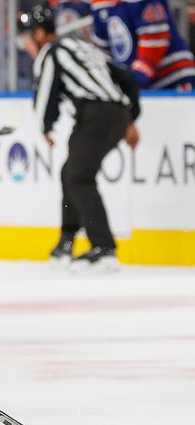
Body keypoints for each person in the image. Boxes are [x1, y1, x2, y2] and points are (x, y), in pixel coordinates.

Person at [18, 6, 141, 271]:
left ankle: (103, 248)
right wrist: (131, 118)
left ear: (39, 34)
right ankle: (66, 241)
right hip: (113, 114)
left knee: (78, 176)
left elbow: (46, 91)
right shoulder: (81, 47)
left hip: (95, 114)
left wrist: (45, 126)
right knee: (70, 172)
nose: (25, 46)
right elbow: (126, 78)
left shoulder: (50, 52)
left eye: (25, 39)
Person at [89, 0, 195, 90]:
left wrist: (133, 80)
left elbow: (155, 37)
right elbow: (102, 46)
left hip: (173, 78)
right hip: (137, 84)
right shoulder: (99, 3)